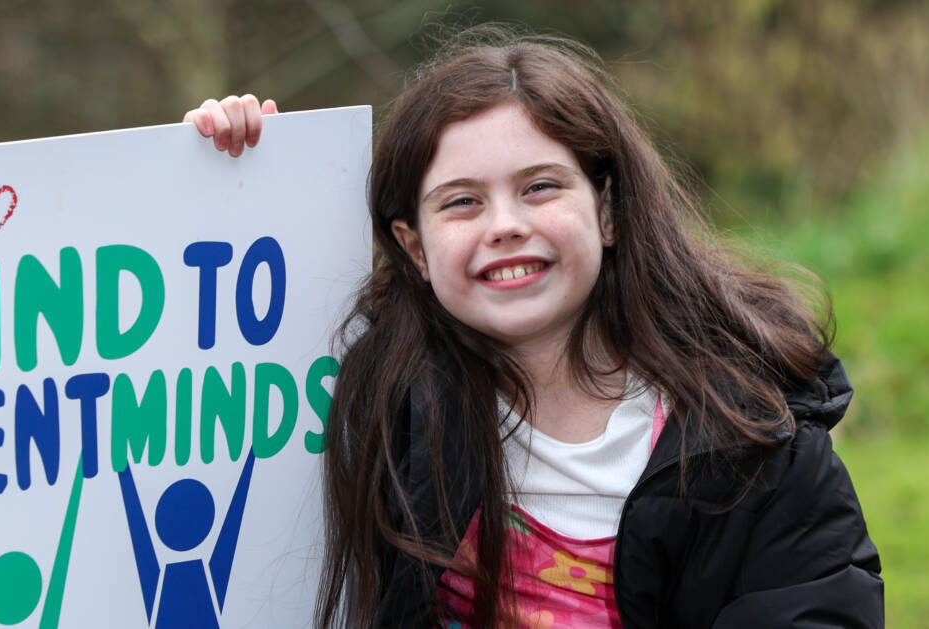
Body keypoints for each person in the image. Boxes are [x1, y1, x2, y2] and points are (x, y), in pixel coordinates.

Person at [183, 25, 882, 629]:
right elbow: (223, 343)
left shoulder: (754, 433)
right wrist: (236, 174)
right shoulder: (386, 402)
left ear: (608, 211)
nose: (506, 225)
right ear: (415, 247)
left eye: (541, 186)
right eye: (461, 201)